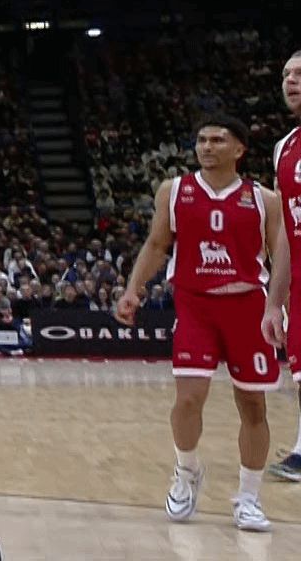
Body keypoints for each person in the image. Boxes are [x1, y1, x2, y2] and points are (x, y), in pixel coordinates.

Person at [116, 114, 290, 532]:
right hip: (195, 305)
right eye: (201, 140)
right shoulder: (174, 191)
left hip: (248, 305)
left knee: (252, 404)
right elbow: (157, 244)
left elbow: (280, 255)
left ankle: (248, 497)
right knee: (189, 398)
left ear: (239, 149)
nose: (206, 147)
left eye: (217, 140)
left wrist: (277, 307)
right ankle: (186, 471)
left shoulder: (263, 199)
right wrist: (133, 288)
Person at [271, 51, 301, 482]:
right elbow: (283, 231)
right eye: (287, 74)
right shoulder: (284, 146)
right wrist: (272, 301)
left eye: (300, 74)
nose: (291, 80)